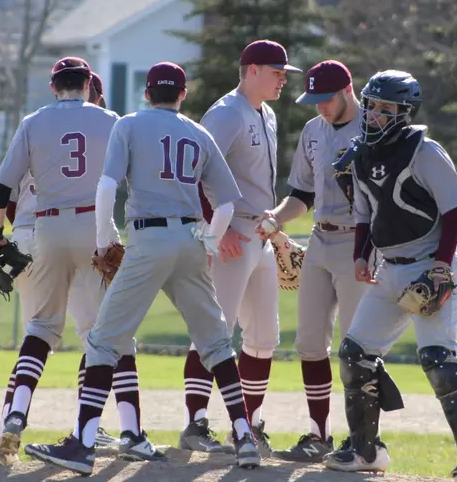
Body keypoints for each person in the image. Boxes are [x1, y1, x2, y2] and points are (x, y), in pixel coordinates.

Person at [24, 62, 262, 474]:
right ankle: (244, 436)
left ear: (147, 93)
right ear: (182, 95)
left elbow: (106, 186)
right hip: (189, 240)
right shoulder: (199, 132)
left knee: (103, 342)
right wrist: (207, 240)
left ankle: (82, 445)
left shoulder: (129, 124)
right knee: (216, 342)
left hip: (148, 238)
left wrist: (104, 242)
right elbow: (225, 204)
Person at [323, 70, 457, 482]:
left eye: (385, 108)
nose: (374, 114)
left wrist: (441, 265)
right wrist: (361, 256)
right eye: (370, 105)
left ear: (403, 113)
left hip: (430, 264)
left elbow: (454, 209)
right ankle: (367, 451)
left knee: (439, 360)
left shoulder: (425, 150)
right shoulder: (360, 153)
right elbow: (366, 214)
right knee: (353, 354)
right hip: (389, 269)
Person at [0, 58, 145, 465]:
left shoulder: (34, 122)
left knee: (40, 329)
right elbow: (135, 178)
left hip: (46, 227)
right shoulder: (111, 119)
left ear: (54, 87)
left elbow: (2, 187)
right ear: (89, 84)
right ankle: (122, 432)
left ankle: (16, 414)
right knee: (106, 334)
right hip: (95, 228)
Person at [179, 39, 302, 456]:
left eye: (285, 73)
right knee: (214, 331)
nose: (283, 79)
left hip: (260, 235)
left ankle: (246, 426)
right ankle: (195, 425)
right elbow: (192, 173)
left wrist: (274, 227)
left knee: (264, 336)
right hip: (230, 236)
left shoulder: (265, 114)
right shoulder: (227, 112)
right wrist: (216, 229)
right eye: (276, 71)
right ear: (251, 69)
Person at [256, 60, 369, 462]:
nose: (320, 107)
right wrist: (274, 217)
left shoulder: (374, 128)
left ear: (346, 92)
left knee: (358, 348)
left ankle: (363, 440)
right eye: (314, 100)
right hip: (321, 240)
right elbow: (300, 196)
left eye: (326, 99)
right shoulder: (312, 131)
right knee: (309, 343)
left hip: (361, 241)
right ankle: (319, 436)